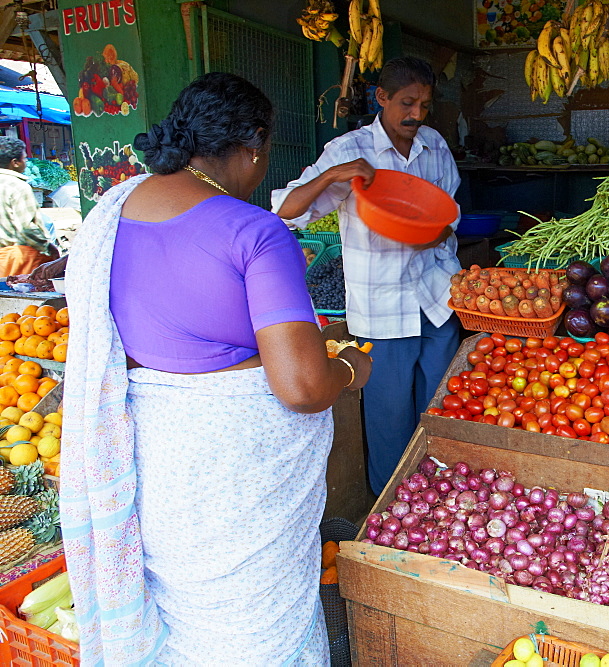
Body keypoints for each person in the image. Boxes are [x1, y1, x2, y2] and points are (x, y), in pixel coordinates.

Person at [62, 72, 372, 665]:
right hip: (236, 479)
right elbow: (303, 387)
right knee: (254, 622)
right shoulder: (253, 230)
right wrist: (352, 368)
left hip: (160, 460)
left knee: (185, 610)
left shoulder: (115, 213)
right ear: (254, 143)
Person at [272, 56, 461, 495]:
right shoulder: (348, 151)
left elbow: (450, 215)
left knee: (440, 410)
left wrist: (434, 235)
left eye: (424, 105)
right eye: (407, 103)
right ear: (382, 98)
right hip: (383, 309)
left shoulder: (434, 145)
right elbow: (284, 212)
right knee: (389, 421)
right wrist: (335, 176)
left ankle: (441, 504)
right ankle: (392, 509)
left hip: (436, 299)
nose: (416, 115)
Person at [0, 136, 58, 276]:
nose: (26, 162)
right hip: (16, 258)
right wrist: (48, 247)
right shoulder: (18, 186)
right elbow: (26, 228)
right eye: (25, 159)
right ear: (15, 162)